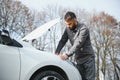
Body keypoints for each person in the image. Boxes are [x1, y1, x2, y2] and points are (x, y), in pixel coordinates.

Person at [55, 11, 95, 80]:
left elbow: (78, 43)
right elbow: (62, 40)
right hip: (79, 60)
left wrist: (67, 55)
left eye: (70, 24)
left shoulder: (83, 29)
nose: (68, 26)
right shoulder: (67, 29)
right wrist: (57, 52)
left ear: (75, 20)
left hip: (88, 59)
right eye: (66, 24)